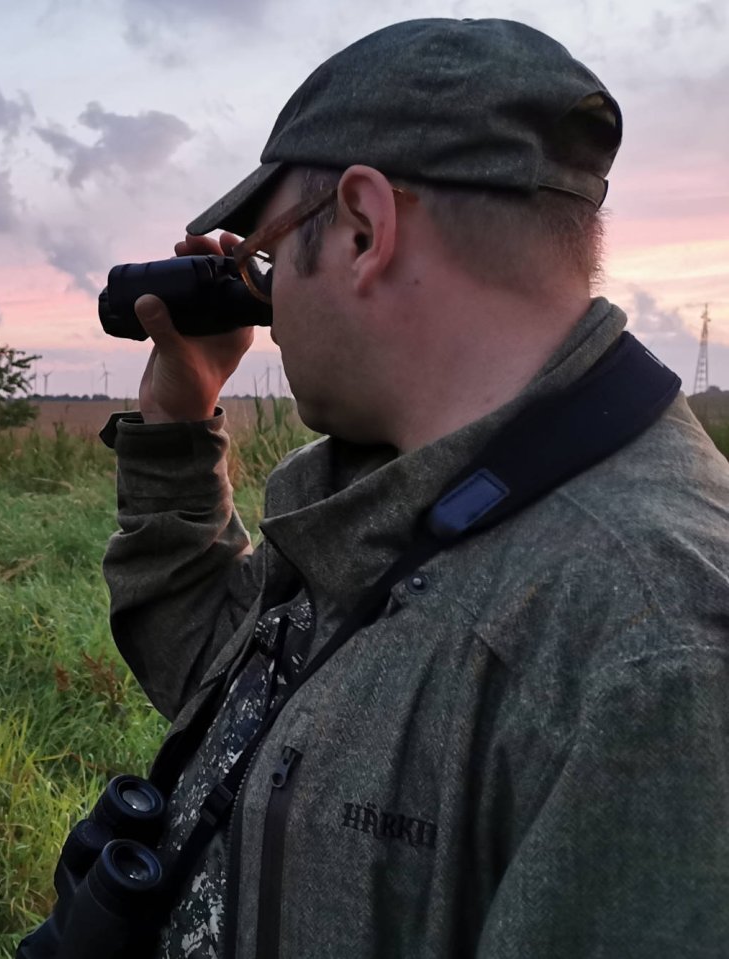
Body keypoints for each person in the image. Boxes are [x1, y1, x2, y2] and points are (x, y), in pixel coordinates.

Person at [98, 17, 729, 959]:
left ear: (362, 228)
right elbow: (213, 684)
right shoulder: (408, 483)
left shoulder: (656, 645)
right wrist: (177, 427)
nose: (268, 306)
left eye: (267, 258)